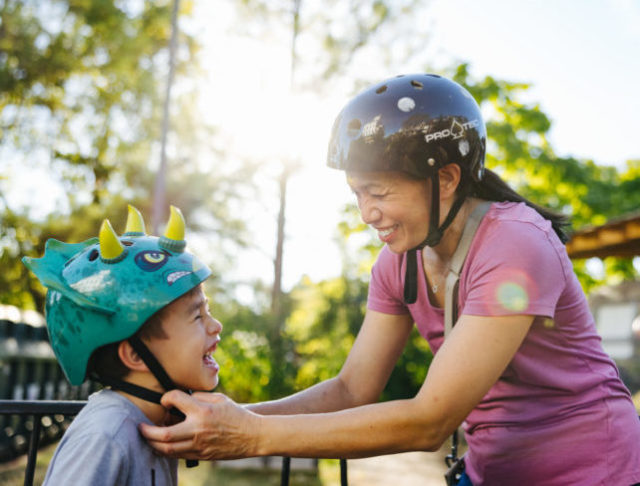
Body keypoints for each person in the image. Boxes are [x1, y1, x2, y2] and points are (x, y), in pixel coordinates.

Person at [139, 74, 640, 485]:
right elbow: (353, 388)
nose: (366, 214)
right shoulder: (397, 265)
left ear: (445, 178)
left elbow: (431, 420)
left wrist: (253, 436)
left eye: (377, 191)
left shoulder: (515, 244)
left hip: (596, 473)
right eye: (357, 194)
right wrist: (228, 419)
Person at [23, 205, 222, 486]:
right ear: (134, 355)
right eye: (197, 316)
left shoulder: (157, 422)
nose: (216, 326)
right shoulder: (104, 436)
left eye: (208, 311)